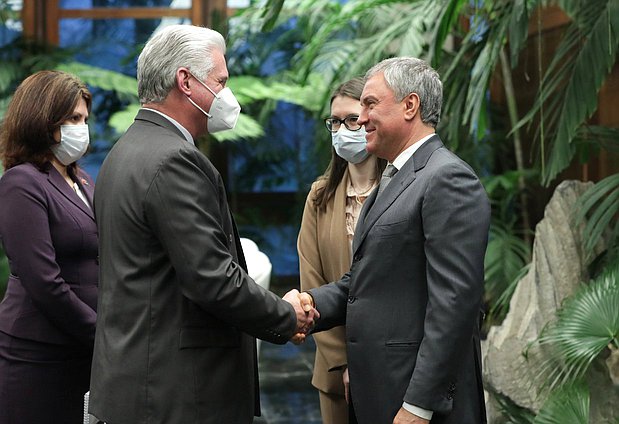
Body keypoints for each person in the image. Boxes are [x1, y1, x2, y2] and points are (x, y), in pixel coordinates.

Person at [88, 24, 316, 424]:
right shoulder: (174, 160)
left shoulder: (125, 151)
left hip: (139, 384)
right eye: (221, 80)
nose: (228, 94)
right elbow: (212, 278)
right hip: (175, 394)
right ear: (186, 81)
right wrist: (285, 314)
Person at [299, 57, 490, 424]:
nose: (362, 117)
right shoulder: (394, 177)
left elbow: (453, 306)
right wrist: (309, 303)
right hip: (378, 396)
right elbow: (364, 283)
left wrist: (419, 405)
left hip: (415, 406)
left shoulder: (446, 179)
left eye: (370, 104)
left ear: (410, 106)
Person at [0, 70, 97, 423]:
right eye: (72, 118)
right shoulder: (22, 182)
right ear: (43, 119)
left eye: (84, 118)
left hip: (80, 352)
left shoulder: (81, 179)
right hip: (38, 354)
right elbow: (43, 281)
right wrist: (101, 331)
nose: (81, 128)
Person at [297, 77, 386, 424]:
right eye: (334, 122)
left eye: (351, 120)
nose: (342, 129)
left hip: (390, 363)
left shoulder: (401, 190)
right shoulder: (320, 197)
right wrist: (344, 361)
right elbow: (312, 281)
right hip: (335, 369)